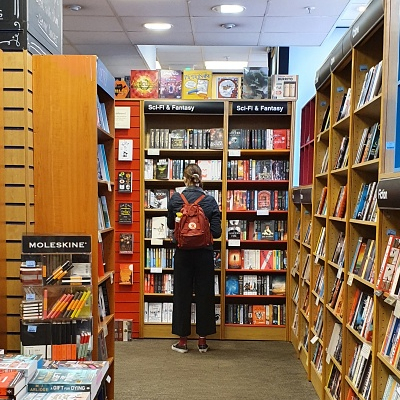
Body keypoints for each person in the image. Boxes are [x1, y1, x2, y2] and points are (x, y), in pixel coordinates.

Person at [167, 163, 222, 353]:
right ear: (201, 178)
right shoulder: (210, 201)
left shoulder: (175, 199)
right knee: (204, 294)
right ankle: (202, 341)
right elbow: (216, 231)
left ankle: (182, 342)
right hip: (204, 254)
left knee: (181, 294)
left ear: (185, 178)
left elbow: (170, 225)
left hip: (182, 253)